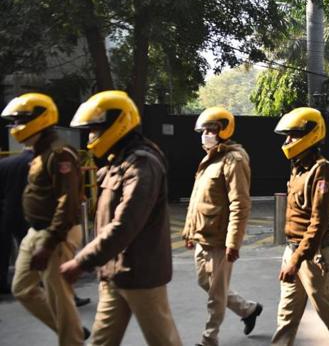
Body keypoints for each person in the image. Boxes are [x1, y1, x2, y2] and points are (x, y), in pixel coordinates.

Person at [59, 90, 182, 346]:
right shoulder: (119, 162)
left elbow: (125, 223)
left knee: (164, 342)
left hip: (140, 275)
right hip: (114, 272)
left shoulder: (142, 165)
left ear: (117, 124)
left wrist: (82, 260)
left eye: (96, 129)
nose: (91, 136)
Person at [2, 93, 87, 345]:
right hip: (36, 231)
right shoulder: (37, 152)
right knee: (22, 288)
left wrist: (50, 242)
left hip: (56, 234)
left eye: (20, 121)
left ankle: (71, 338)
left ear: (39, 120)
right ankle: (72, 332)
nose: (16, 127)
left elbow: (67, 201)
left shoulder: (59, 154)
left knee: (60, 297)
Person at [271, 107, 329, 346]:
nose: (288, 141)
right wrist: (292, 256)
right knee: (286, 315)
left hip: (313, 256)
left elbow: (318, 223)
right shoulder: (298, 166)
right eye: (287, 136)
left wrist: (296, 260)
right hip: (294, 251)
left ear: (311, 135)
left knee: (328, 312)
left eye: (293, 135)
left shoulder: (322, 170)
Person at [181, 106, 262, 346]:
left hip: (219, 239)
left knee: (216, 295)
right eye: (203, 130)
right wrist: (189, 231)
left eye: (211, 129)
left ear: (224, 130)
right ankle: (248, 310)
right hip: (202, 235)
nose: (205, 134)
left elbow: (240, 204)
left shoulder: (233, 160)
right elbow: (197, 199)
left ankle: (209, 339)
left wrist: (233, 242)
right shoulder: (210, 159)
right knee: (204, 282)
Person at [0, 148, 33, 294]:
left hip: (4, 212)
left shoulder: (4, 163)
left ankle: (2, 283)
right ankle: (34, 282)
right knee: (30, 249)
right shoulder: (35, 163)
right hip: (26, 213)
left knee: (3, 250)